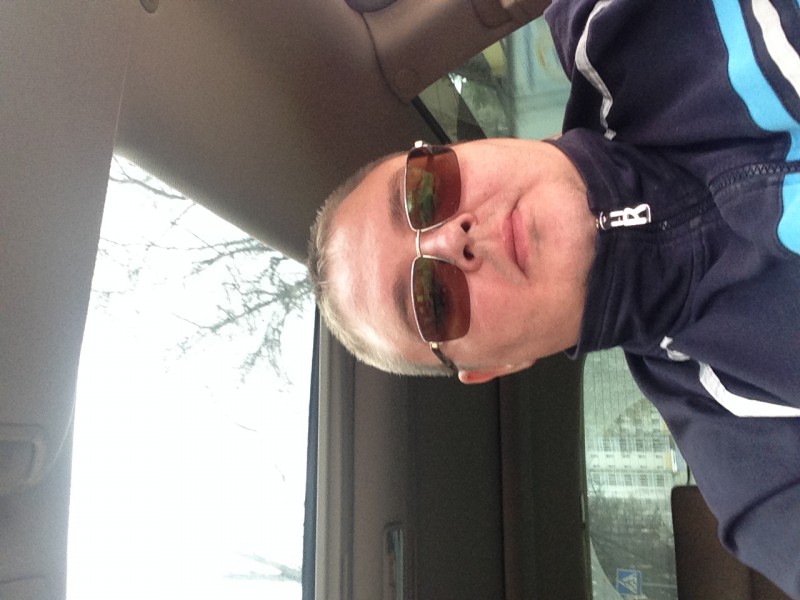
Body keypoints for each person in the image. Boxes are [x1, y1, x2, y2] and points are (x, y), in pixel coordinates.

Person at [308, 0, 800, 597]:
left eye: (424, 192)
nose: (450, 238)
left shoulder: (613, 19)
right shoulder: (761, 469)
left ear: (464, 148)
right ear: (496, 365)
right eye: (431, 300)